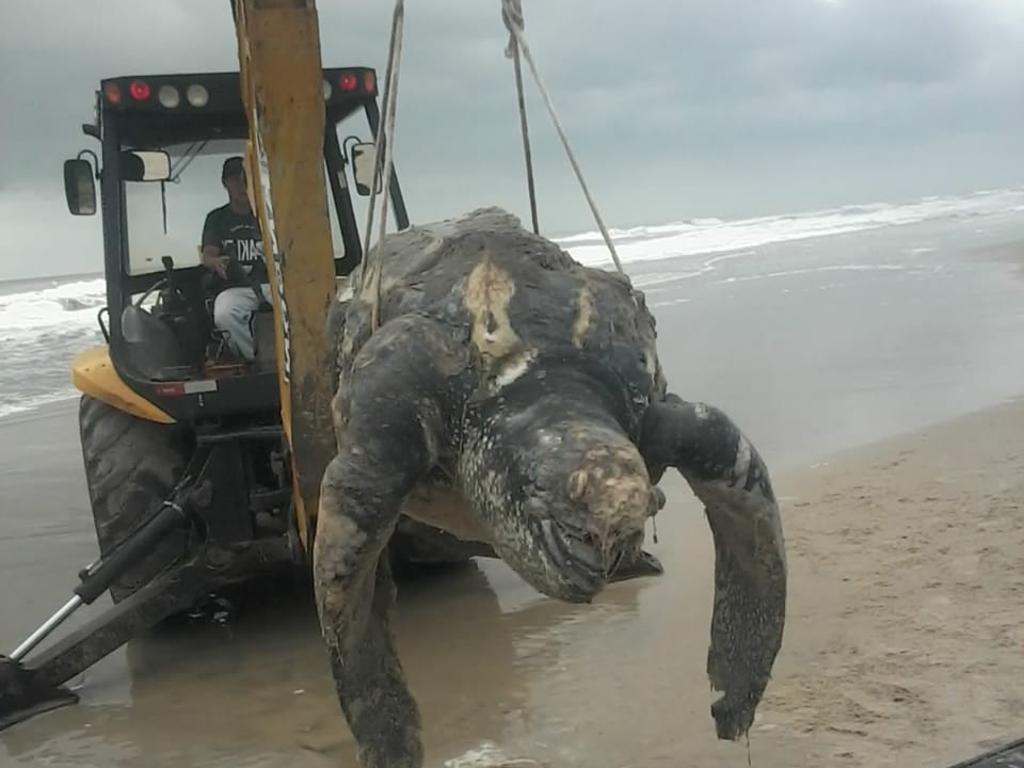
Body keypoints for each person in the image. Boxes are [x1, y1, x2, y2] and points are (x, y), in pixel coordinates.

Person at [200, 156, 271, 360]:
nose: (242, 186)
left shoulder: (269, 214)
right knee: (224, 313)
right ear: (225, 183)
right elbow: (208, 254)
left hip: (273, 286)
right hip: (236, 288)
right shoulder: (217, 219)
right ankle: (257, 359)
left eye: (246, 179)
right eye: (235, 180)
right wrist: (215, 263)